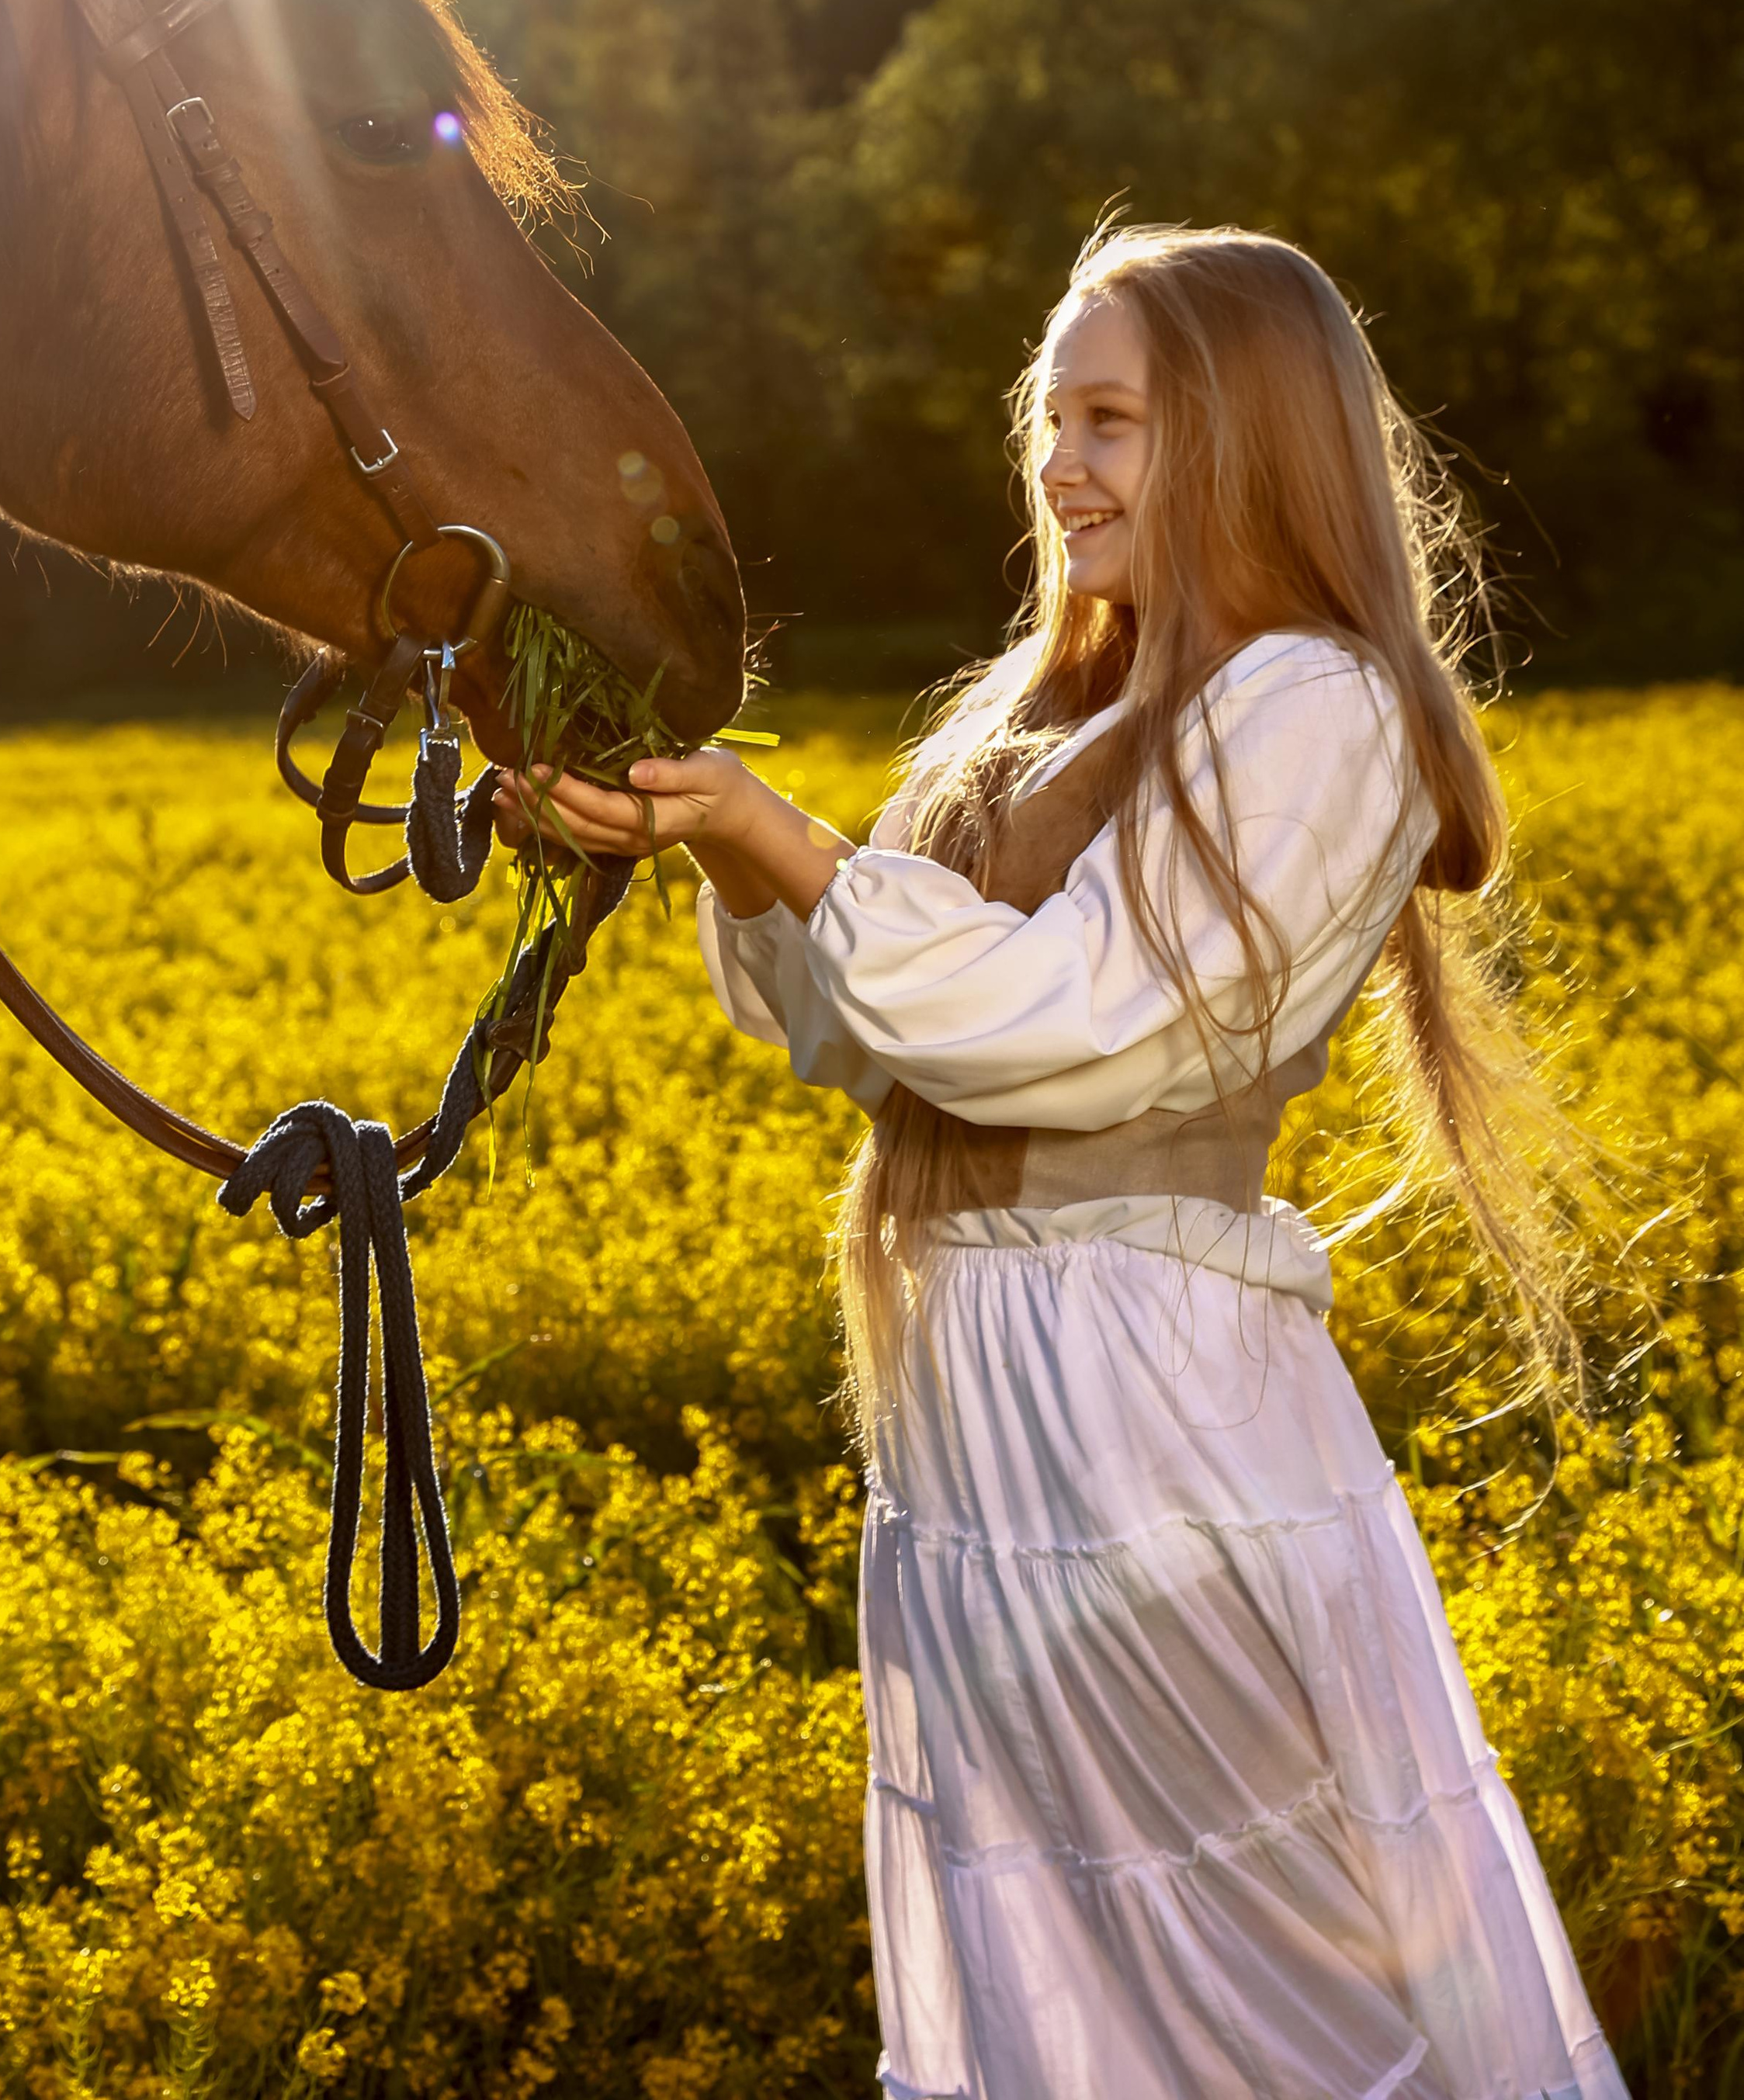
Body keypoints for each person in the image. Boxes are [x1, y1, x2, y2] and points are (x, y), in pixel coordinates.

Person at [494, 223, 1625, 2100]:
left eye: (1108, 419)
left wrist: (785, 838)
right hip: (977, 1423)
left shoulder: (1318, 707)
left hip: (1144, 1415)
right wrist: (705, 839)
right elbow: (857, 1036)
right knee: (1075, 1973)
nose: (1053, 459)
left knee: (1259, 1970)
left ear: (1249, 443)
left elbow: (1088, 1017)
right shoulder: (1045, 713)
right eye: (1046, 416)